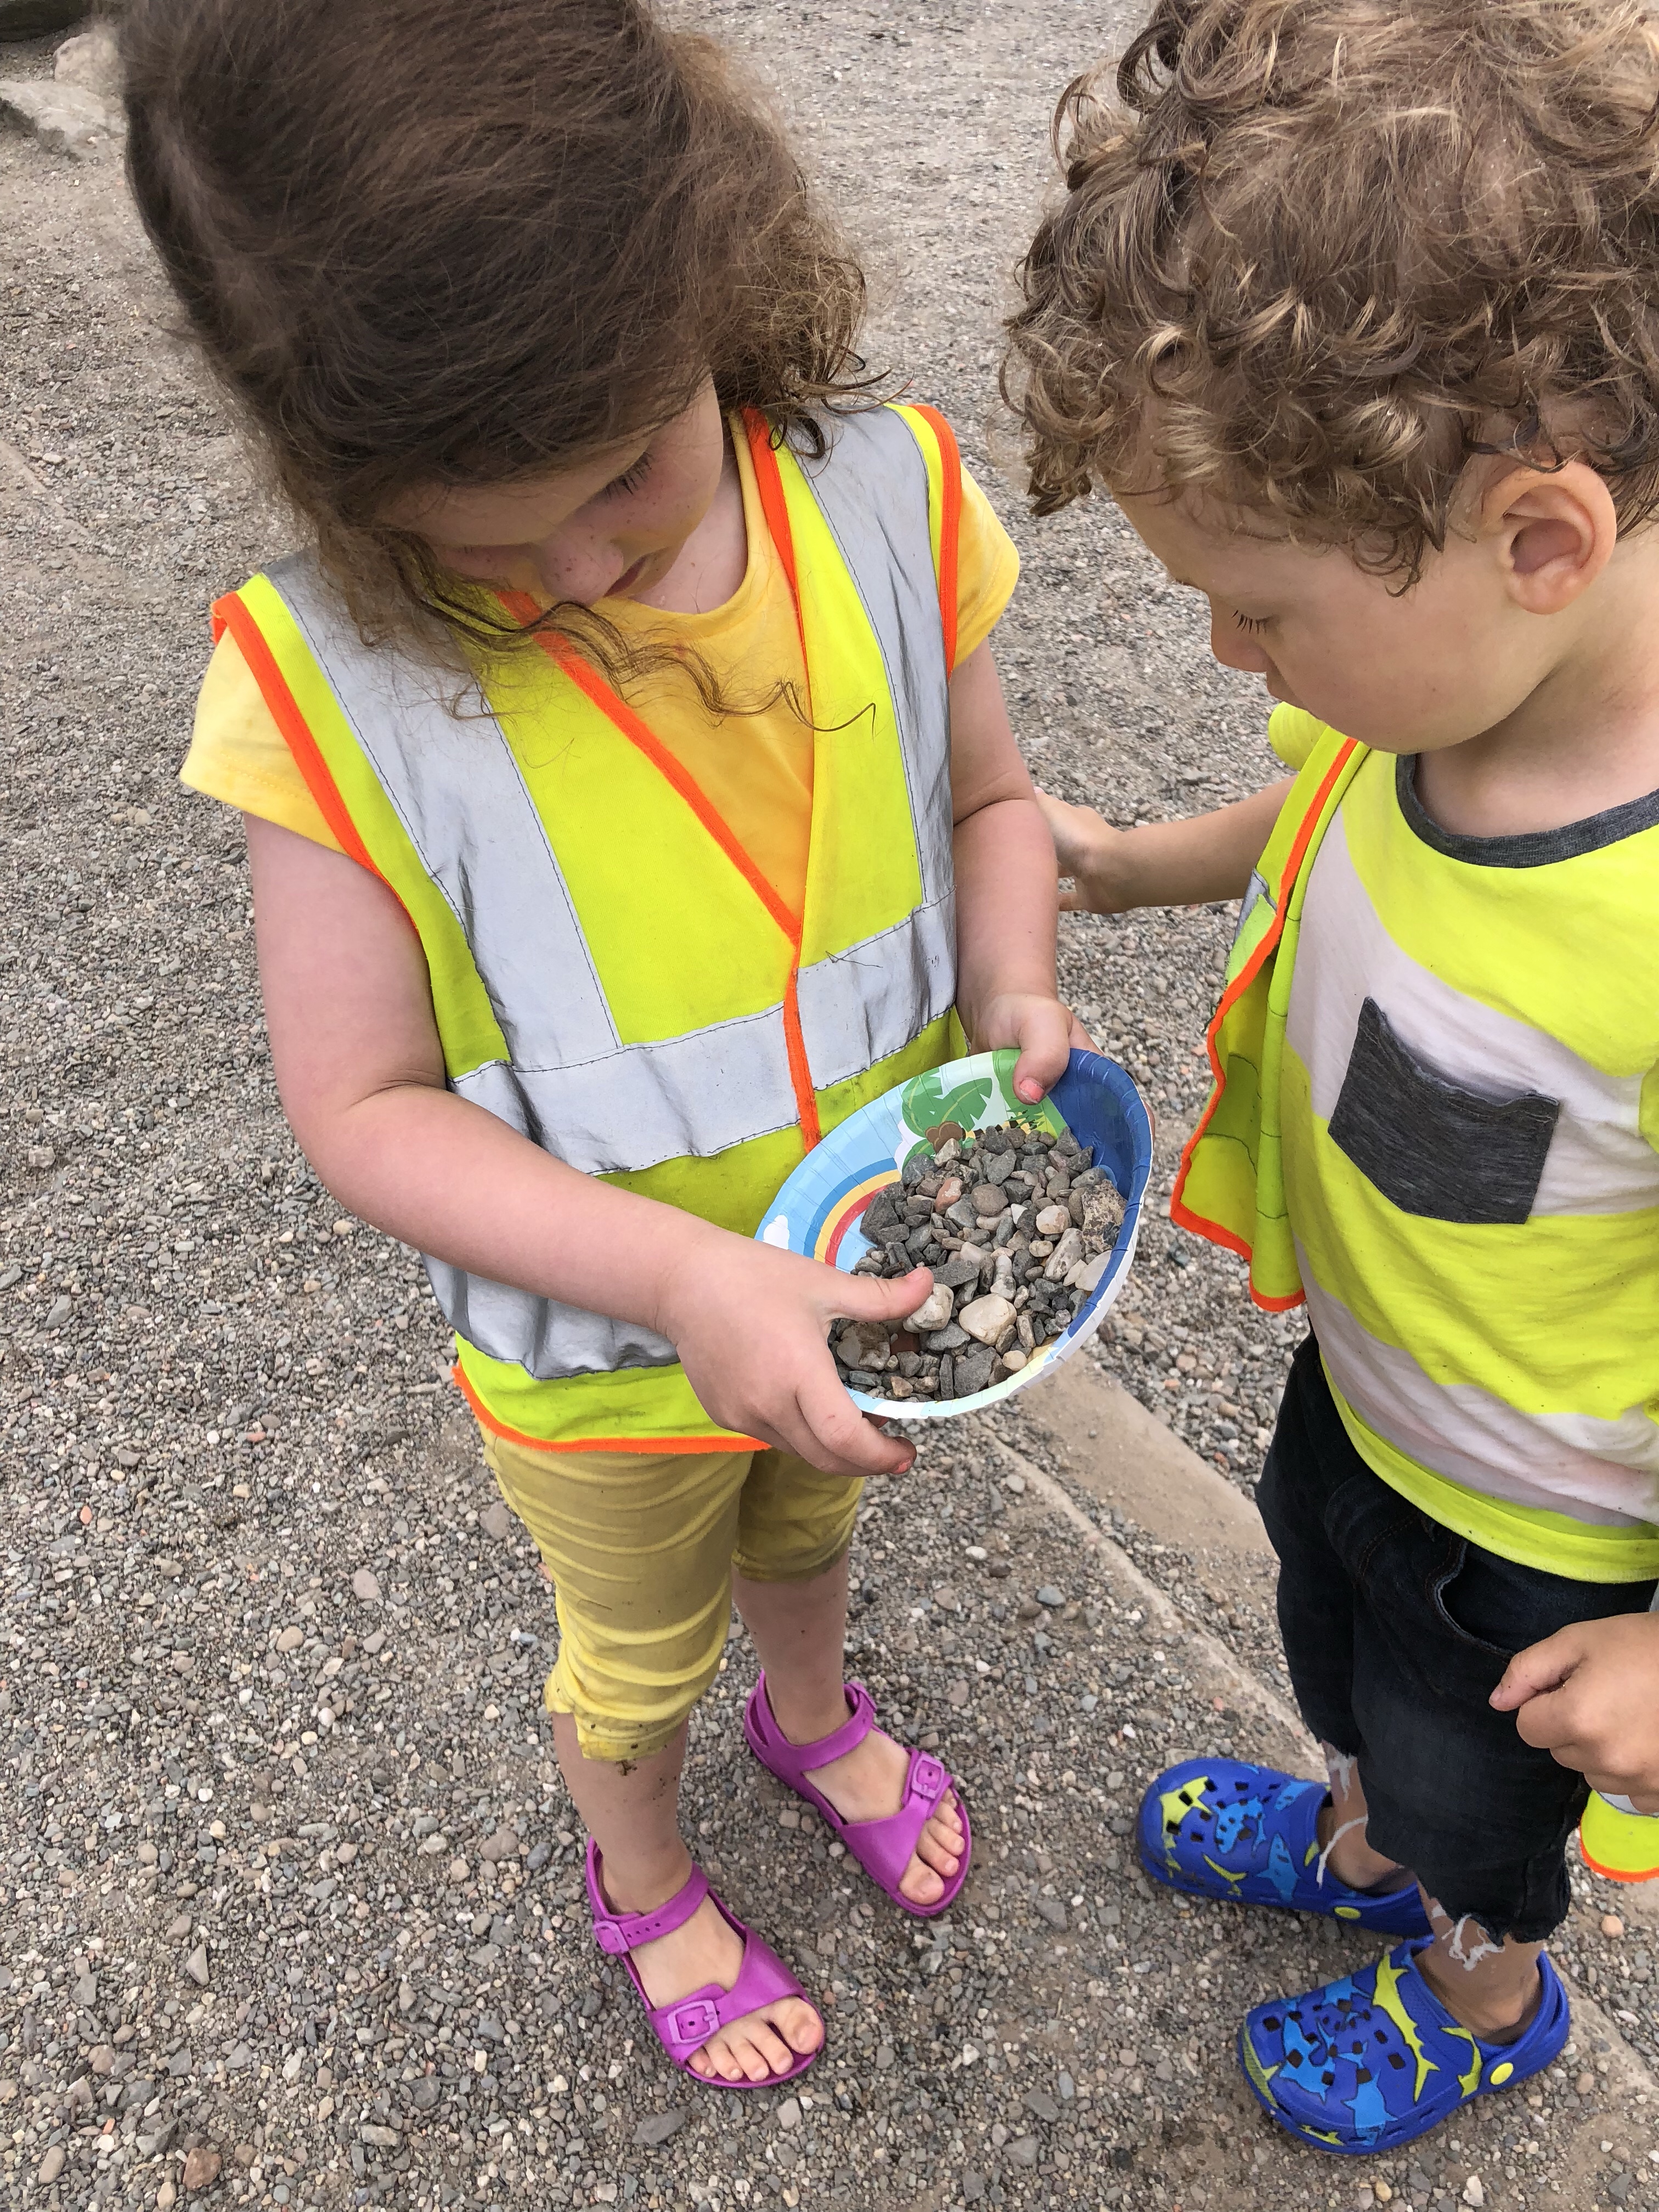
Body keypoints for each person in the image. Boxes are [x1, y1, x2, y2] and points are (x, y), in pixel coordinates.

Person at [122, 0, 1080, 2089]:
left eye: (634, 474)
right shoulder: (323, 686)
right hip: (605, 1364)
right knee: (633, 1651)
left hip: (866, 1269)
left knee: (813, 1530)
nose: (575, 570)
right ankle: (641, 1872)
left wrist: (1012, 976)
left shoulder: (888, 498)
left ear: (718, 277)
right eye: (481, 538)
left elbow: (996, 802)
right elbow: (358, 1107)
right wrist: (682, 1279)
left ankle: (811, 1718)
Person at [1006, 0, 1659, 2157]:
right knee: (1342, 1648)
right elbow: (1313, 804)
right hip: (1369, 1399)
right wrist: (1132, 863)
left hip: (1547, 1547)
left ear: (1540, 539)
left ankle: (1479, 1984)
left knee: (1480, 1791)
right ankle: (1370, 1838)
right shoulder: (1446, 688)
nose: (1230, 654)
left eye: (1261, 612)